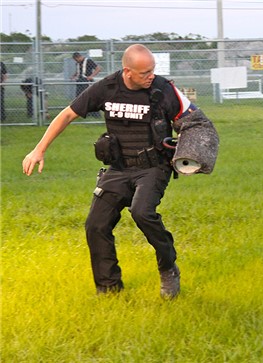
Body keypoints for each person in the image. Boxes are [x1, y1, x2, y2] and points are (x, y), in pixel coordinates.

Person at [22, 44, 210, 299]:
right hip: (119, 168)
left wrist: (191, 153)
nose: (151, 76)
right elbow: (67, 114)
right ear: (128, 72)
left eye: (152, 70)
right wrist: (39, 149)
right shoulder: (107, 88)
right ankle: (109, 289)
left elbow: (196, 123)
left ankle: (168, 267)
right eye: (145, 72)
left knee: (142, 212)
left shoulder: (164, 89)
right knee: (96, 224)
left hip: (153, 167)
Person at [71, 52, 102, 118]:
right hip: (79, 81)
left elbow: (98, 68)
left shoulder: (88, 61)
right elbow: (78, 71)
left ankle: (95, 114)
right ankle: (84, 112)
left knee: (89, 97)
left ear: (78, 57)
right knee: (79, 97)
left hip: (86, 81)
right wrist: (74, 76)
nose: (76, 61)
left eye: (76, 59)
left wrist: (91, 76)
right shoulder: (77, 63)